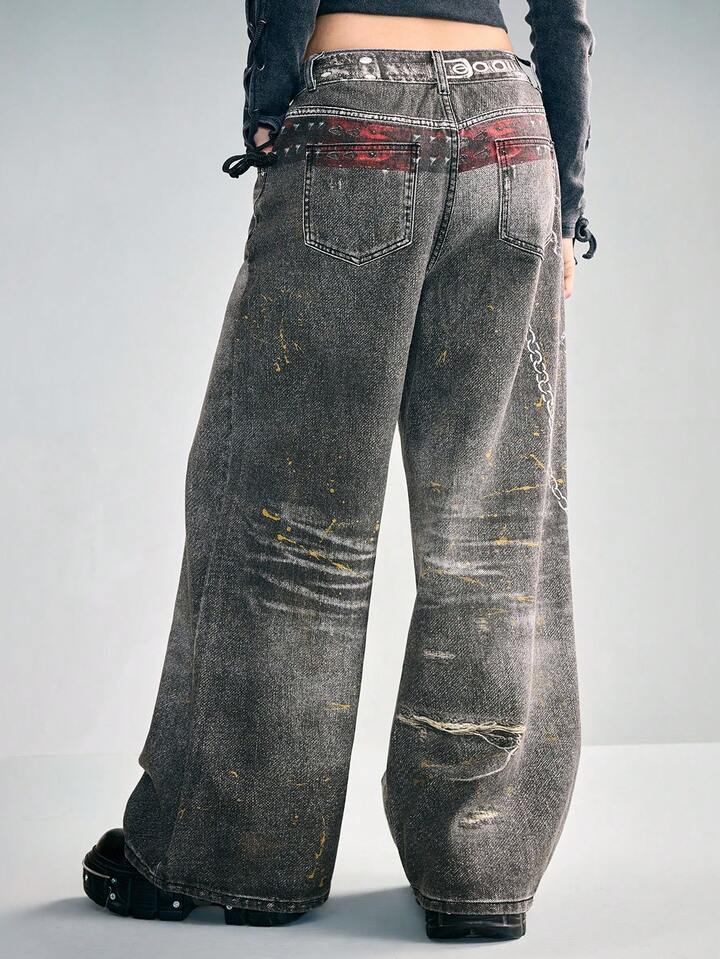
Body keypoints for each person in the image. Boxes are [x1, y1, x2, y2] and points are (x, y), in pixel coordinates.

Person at [82, 1, 595, 943]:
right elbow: (563, 16)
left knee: (289, 518)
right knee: (492, 531)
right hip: (512, 134)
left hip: (355, 118)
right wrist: (564, 200)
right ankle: (478, 871)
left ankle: (238, 856)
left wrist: (269, 109)